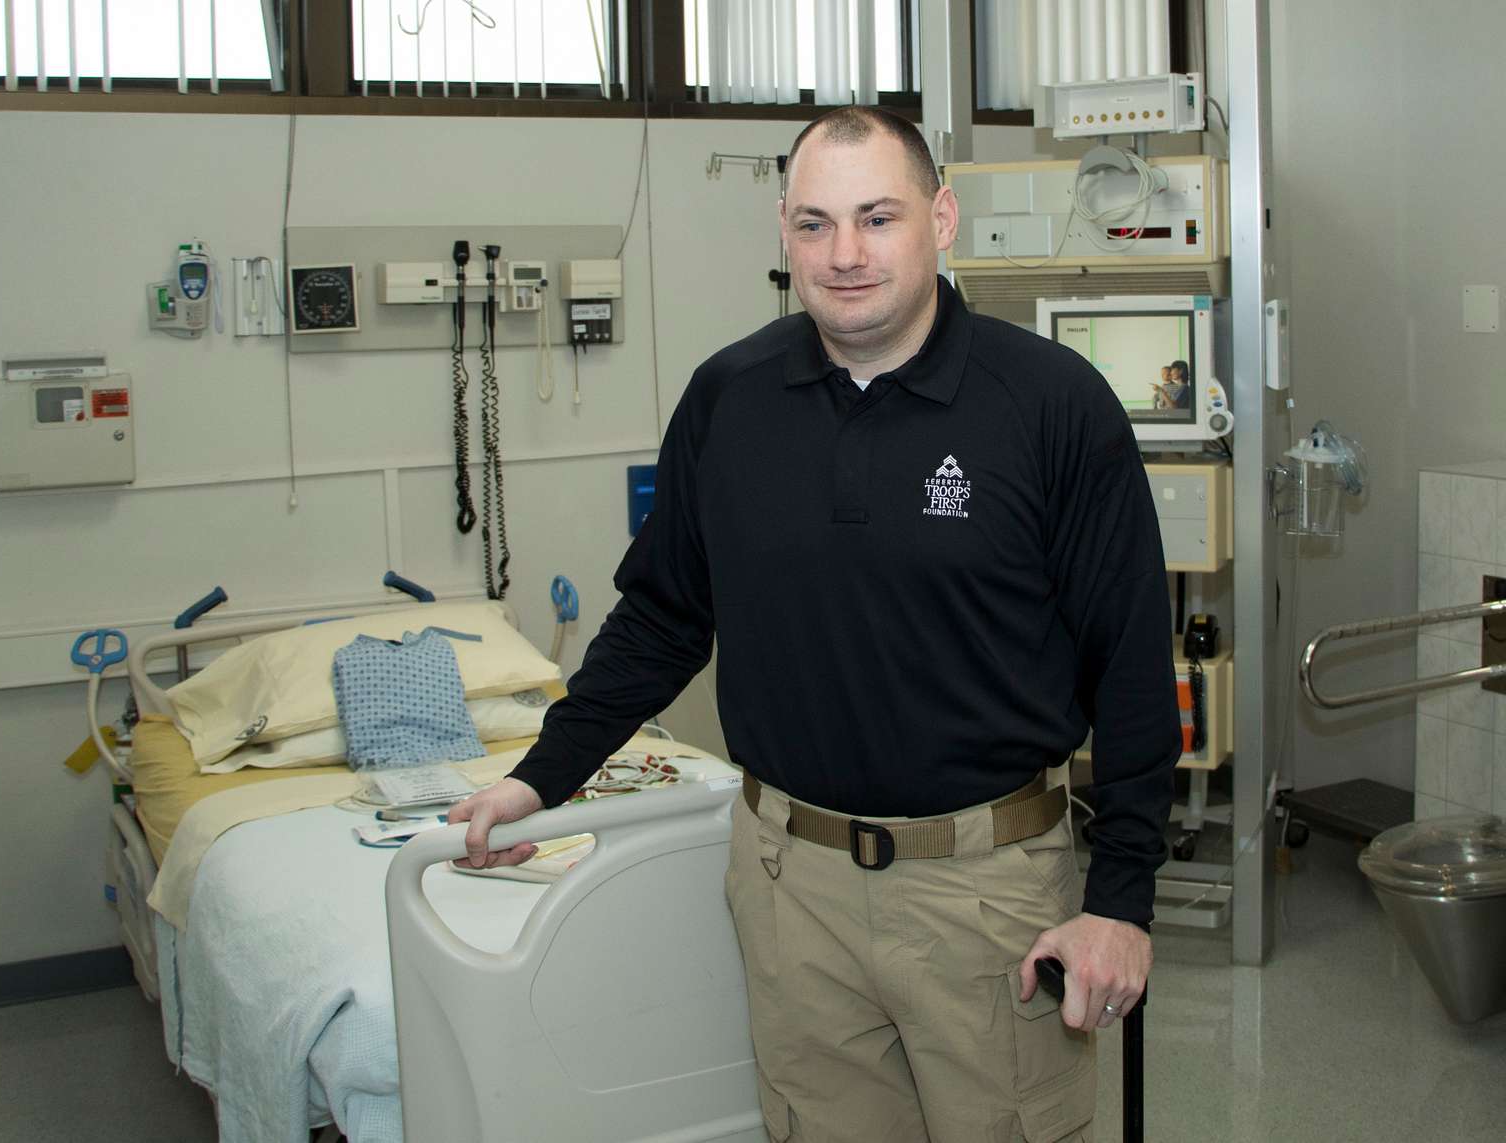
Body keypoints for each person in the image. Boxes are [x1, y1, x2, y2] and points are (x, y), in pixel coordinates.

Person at [449, 106, 1180, 1142]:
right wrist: (540, 778)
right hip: (790, 890)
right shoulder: (730, 399)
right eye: (812, 224)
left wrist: (1121, 900)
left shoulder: (1052, 407)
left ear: (942, 219)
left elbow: (1131, 669)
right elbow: (661, 616)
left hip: (989, 898)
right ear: (782, 233)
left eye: (877, 218)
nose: (844, 255)